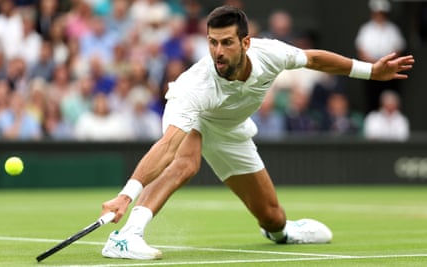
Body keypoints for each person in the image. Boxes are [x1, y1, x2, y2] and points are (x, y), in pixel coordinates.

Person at [100, 6, 414, 260]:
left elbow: (315, 59)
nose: (218, 51)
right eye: (212, 42)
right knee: (185, 163)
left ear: (246, 43)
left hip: (231, 129)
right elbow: (168, 146)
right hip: (196, 118)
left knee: (273, 217)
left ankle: (282, 232)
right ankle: (126, 236)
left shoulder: (270, 54)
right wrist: (127, 195)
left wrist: (370, 71)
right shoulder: (196, 86)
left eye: (226, 42)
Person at [355, 0, 406, 112]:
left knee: (391, 99)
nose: (379, 15)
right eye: (377, 12)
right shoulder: (365, 30)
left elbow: (398, 50)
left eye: (382, 13)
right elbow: (361, 51)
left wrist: (385, 64)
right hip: (370, 72)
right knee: (371, 101)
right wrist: (374, 66)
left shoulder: (393, 30)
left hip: (389, 72)